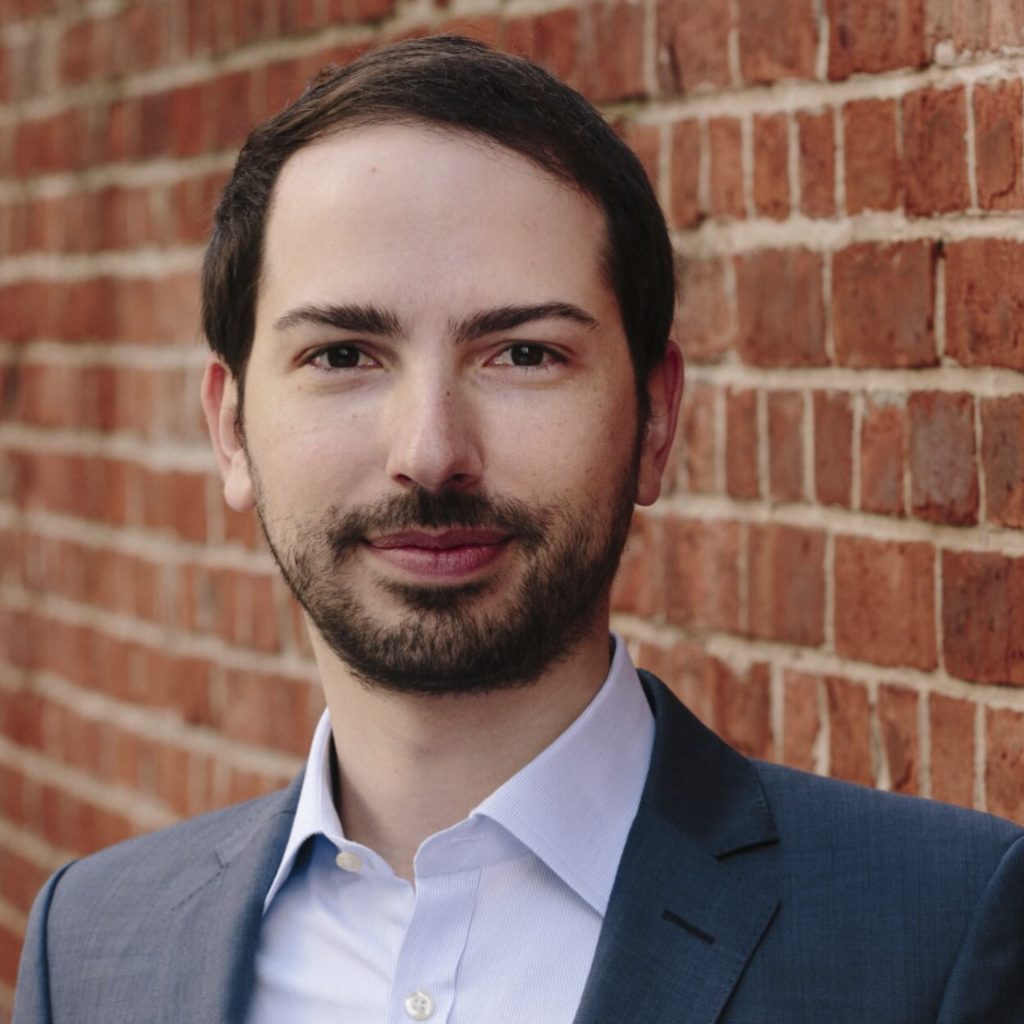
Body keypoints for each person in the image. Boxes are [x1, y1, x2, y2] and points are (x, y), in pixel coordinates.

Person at [13, 35, 1024, 1024]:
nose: (430, 449)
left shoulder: (935, 933)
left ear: (654, 421)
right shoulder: (91, 946)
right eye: (342, 355)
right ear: (230, 429)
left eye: (524, 354)